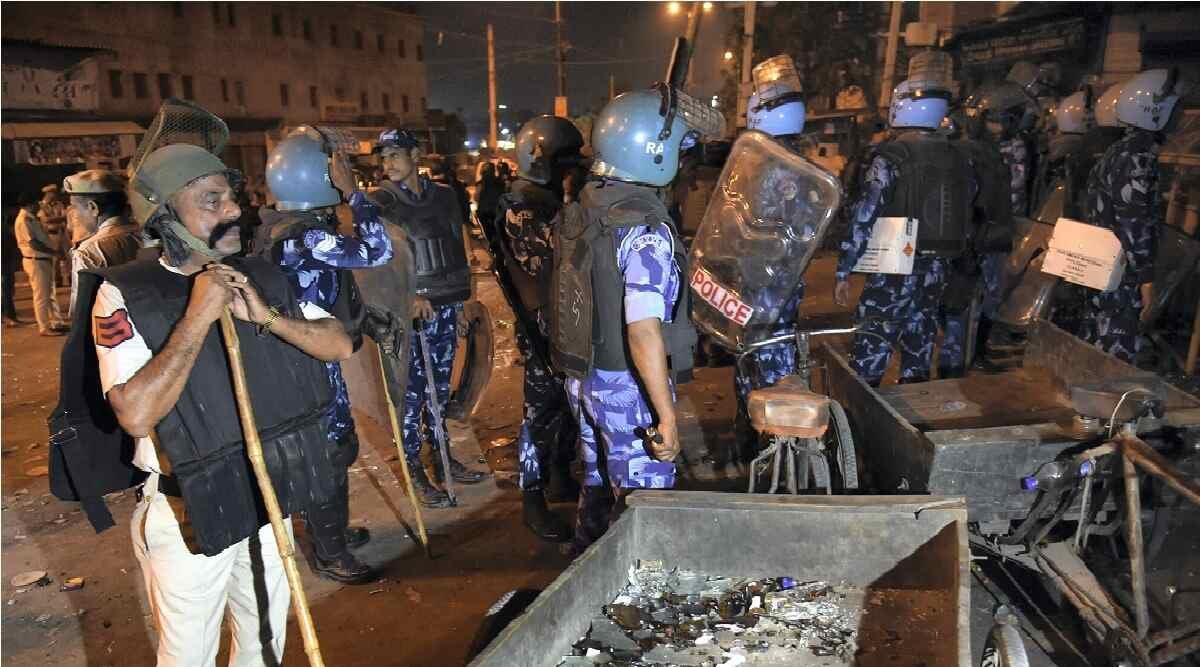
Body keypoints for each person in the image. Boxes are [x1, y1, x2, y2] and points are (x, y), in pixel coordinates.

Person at [88, 140, 354, 665]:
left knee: (264, 647)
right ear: (165, 216)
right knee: (189, 656)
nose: (234, 210)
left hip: (267, 496)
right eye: (212, 201)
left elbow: (339, 343)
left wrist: (269, 318)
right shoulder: (124, 295)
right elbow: (136, 413)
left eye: (230, 198)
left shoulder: (261, 274)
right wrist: (198, 315)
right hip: (188, 509)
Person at [551, 87, 719, 552]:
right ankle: (625, 593)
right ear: (655, 153)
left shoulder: (586, 205)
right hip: (625, 385)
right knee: (646, 506)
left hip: (582, 375)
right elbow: (642, 329)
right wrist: (667, 417)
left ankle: (585, 561)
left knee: (598, 479)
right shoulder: (645, 231)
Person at [256, 128, 395, 583]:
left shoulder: (283, 229)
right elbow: (378, 250)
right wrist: (355, 194)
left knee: (335, 446)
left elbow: (328, 293)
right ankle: (329, 551)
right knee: (329, 450)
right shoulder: (305, 237)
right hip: (308, 365)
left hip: (306, 354)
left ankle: (329, 531)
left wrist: (363, 320)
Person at [834, 78, 979, 387]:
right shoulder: (959, 157)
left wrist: (844, 269)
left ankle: (859, 421)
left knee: (871, 347)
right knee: (919, 345)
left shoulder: (892, 156)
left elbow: (865, 214)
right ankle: (913, 421)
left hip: (894, 265)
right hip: (938, 268)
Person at [368, 128, 484, 507]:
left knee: (439, 390)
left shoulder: (447, 197)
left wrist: (469, 297)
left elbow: (460, 241)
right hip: (413, 313)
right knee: (413, 393)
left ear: (417, 155)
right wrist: (408, 296)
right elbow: (380, 262)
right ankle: (414, 469)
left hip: (447, 303)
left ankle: (443, 458)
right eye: (382, 157)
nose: (387, 164)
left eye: (394, 155)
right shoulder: (380, 202)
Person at [491, 115, 584, 542]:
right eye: (565, 162)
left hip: (562, 321)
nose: (572, 170)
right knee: (539, 415)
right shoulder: (521, 205)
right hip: (541, 327)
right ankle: (532, 498)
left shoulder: (543, 199)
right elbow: (553, 256)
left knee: (566, 408)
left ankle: (560, 475)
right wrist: (573, 204)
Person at [732, 79, 814, 462]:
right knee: (774, 356)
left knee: (756, 357)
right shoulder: (805, 165)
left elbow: (744, 228)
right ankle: (764, 441)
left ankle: (762, 446)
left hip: (757, 279)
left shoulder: (762, 166)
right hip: (786, 281)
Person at [1081, 68, 1183, 363]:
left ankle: (1090, 405)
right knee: (1117, 348)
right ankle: (1106, 406)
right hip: (1121, 273)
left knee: (1096, 340)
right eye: (1172, 109)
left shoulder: (1119, 149)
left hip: (1102, 266)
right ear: (1154, 112)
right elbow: (1133, 223)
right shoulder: (1138, 157)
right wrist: (1146, 278)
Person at [62, 169, 141, 317]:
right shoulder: (146, 236)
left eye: (75, 208)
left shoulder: (88, 251)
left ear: (93, 208)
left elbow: (82, 311)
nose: (76, 216)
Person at [15, 196, 68, 335]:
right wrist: (53, 252)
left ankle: (56, 322)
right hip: (36, 260)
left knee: (50, 293)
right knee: (41, 296)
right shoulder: (24, 220)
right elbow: (33, 243)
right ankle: (44, 327)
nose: (38, 204)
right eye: (35, 202)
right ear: (28, 204)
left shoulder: (32, 217)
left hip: (44, 259)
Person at [3, 204, 25, 326]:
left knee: (8, 290)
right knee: (6, 290)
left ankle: (8, 315)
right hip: (4, 262)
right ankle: (8, 316)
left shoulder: (4, 228)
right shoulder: (4, 229)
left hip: (6, 261)